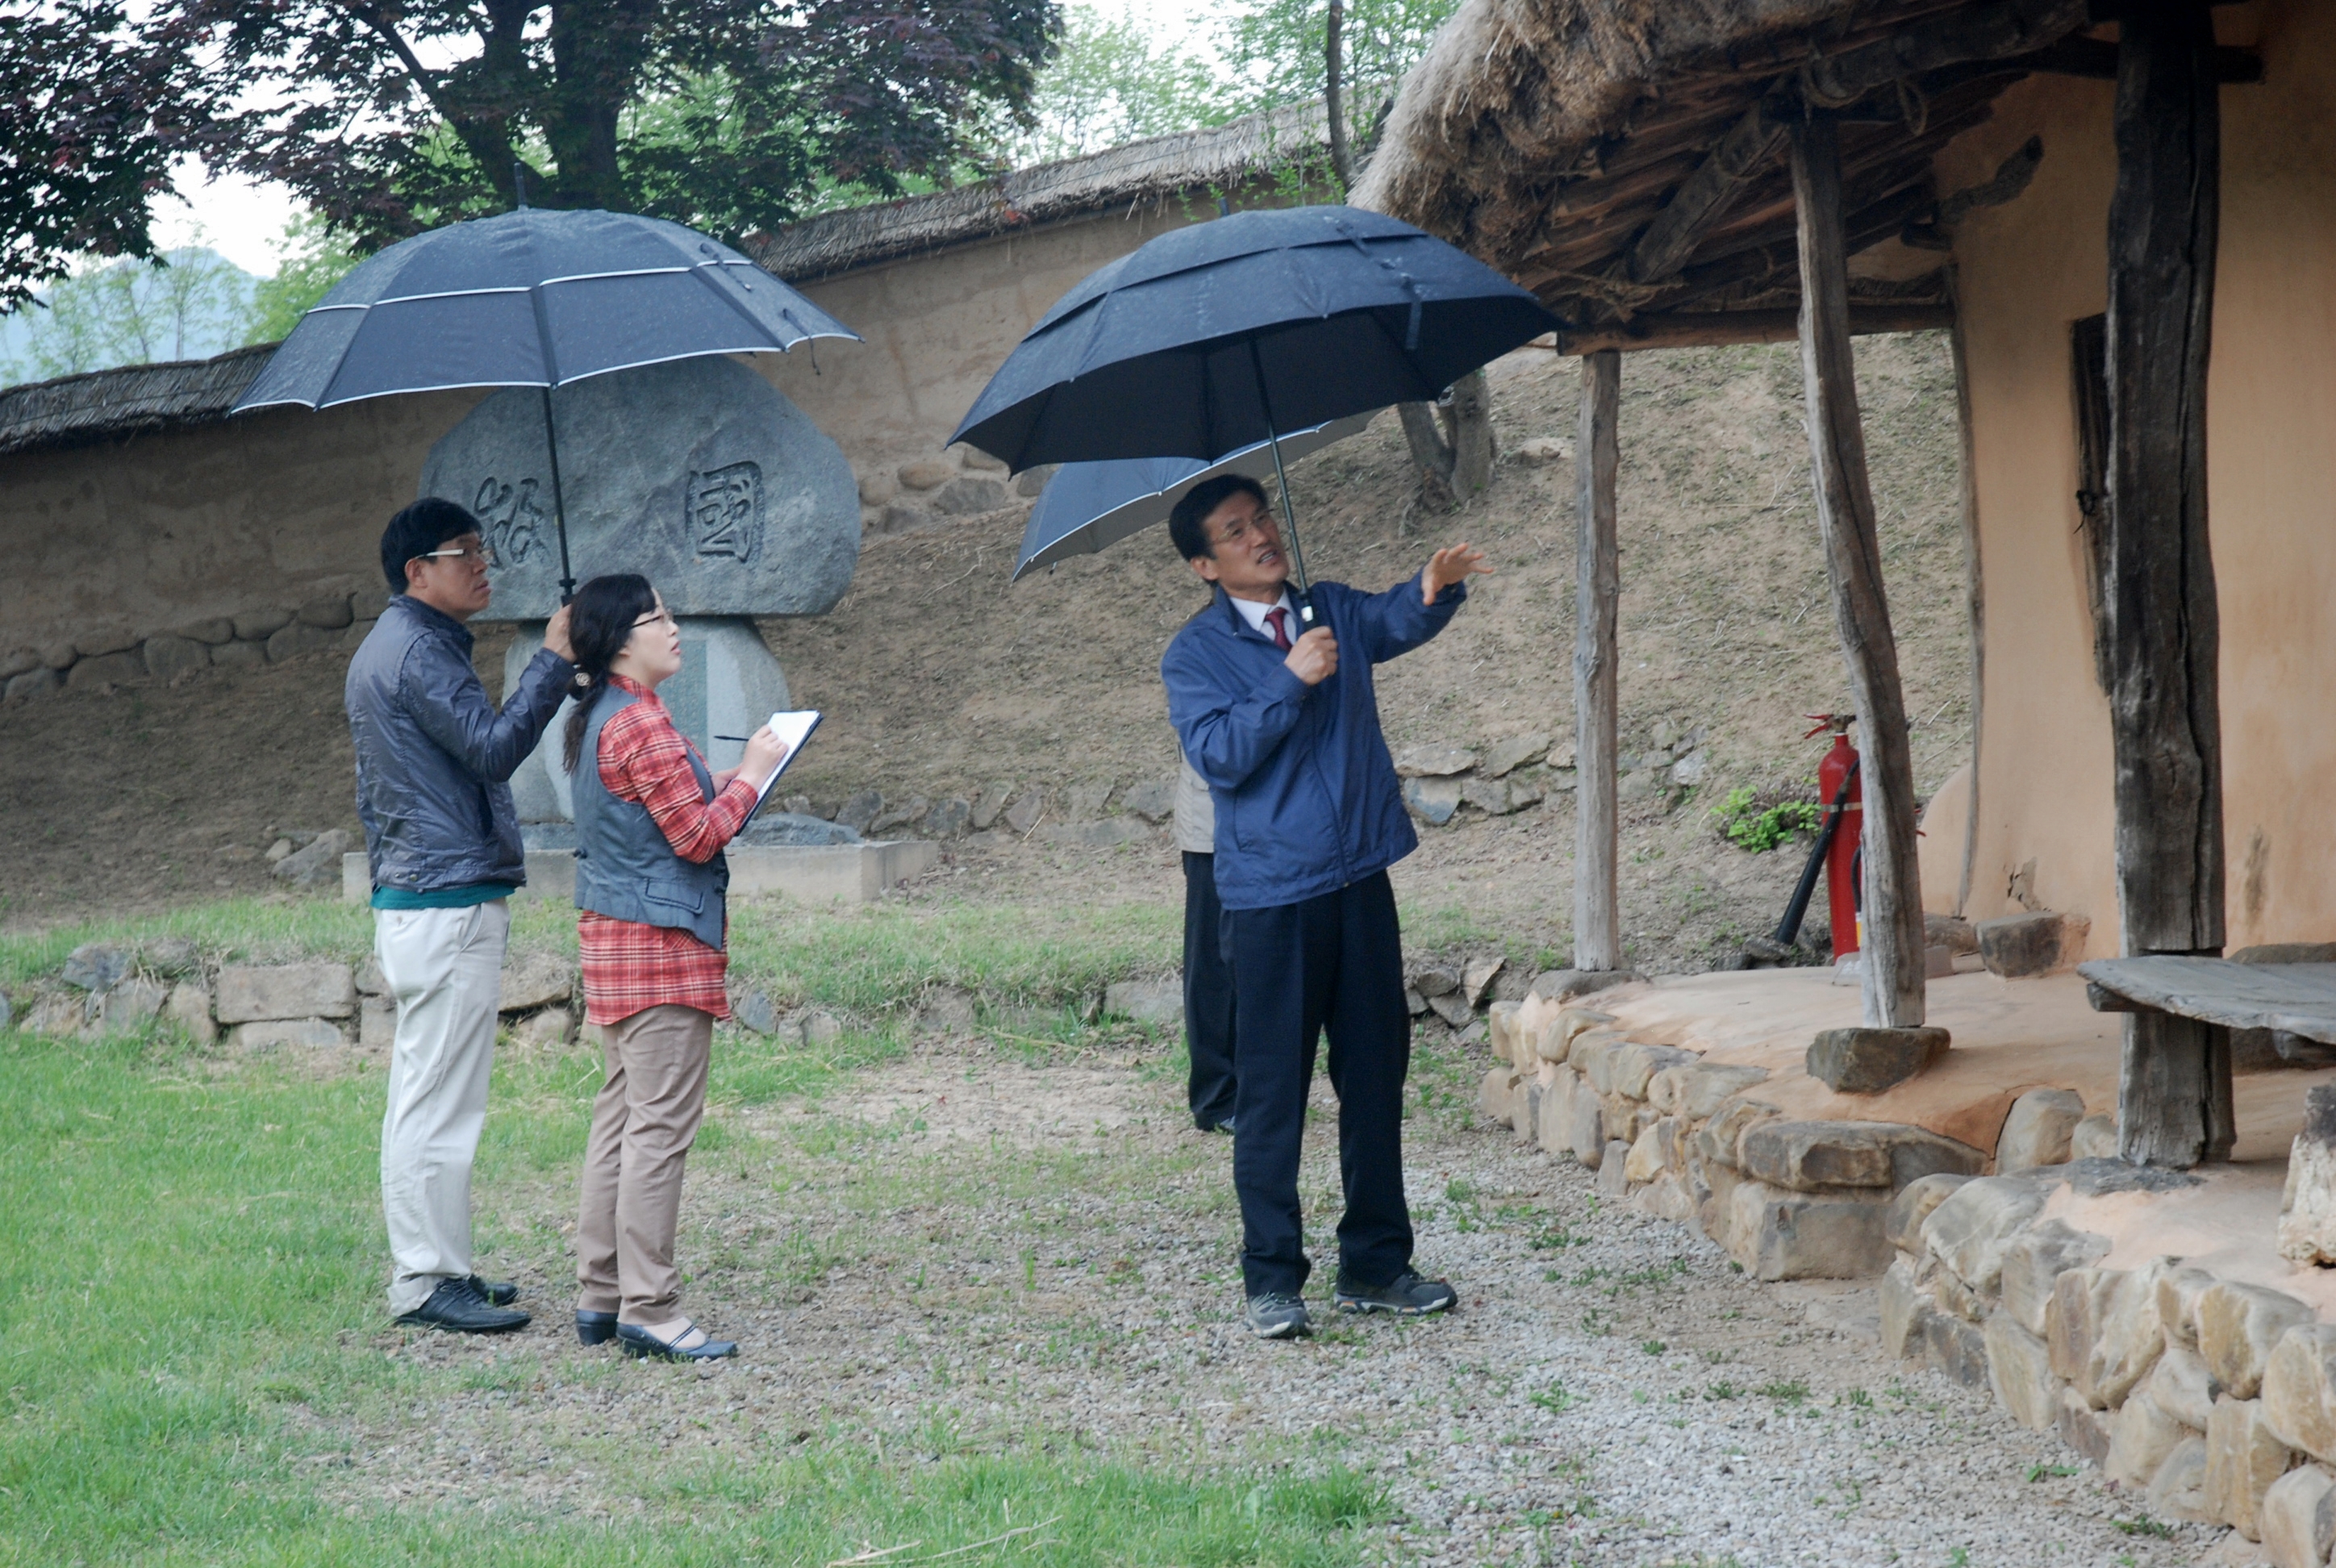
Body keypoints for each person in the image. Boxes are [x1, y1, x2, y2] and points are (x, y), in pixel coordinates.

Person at [1161, 473, 1489, 1341]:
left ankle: (1376, 1264)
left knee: (1375, 1078)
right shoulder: (1192, 657)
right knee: (1273, 1092)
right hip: (1271, 898)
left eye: (1261, 517)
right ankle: (1272, 1277)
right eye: (1235, 532)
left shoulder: (1328, 610)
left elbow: (1391, 618)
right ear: (1205, 565)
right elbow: (1222, 757)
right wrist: (1290, 681)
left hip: (1359, 882)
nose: (1261, 535)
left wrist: (1433, 587)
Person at [347, 497, 576, 1332]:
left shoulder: (406, 644)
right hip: (442, 905)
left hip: (431, 898)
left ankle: (445, 1268)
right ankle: (424, 1283)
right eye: (464, 553)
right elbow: (492, 749)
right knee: (434, 1104)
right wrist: (552, 661)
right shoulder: (416, 652)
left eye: (483, 548)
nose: (482, 564)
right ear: (418, 572)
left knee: (436, 1097)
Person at [561, 573, 789, 1362]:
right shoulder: (642, 725)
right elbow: (696, 837)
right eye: (657, 616)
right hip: (662, 952)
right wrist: (757, 772)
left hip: (617, 945)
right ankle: (649, 1308)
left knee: (622, 1121)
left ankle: (601, 1293)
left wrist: (736, 780)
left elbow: (662, 816)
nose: (673, 628)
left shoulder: (602, 717)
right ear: (623, 638)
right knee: (657, 1132)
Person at [1174, 747, 1238, 1134]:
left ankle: (1260, 1090)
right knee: (1212, 962)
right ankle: (1217, 1098)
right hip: (1211, 824)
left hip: (1283, 823)